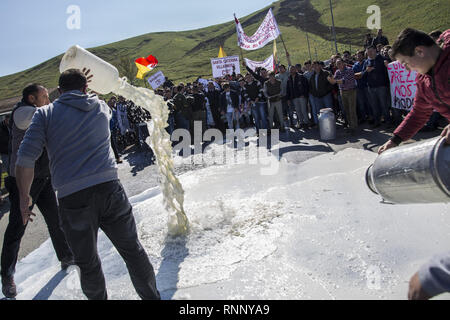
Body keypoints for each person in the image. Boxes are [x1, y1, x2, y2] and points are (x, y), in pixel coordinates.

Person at [15, 70, 160, 300]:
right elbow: (90, 99)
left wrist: (24, 197)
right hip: (110, 188)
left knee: (88, 262)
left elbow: (24, 160)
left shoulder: (45, 114)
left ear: (59, 92)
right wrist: (86, 91)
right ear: (85, 88)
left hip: (73, 197)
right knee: (133, 251)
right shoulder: (101, 107)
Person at [378, 28, 450, 300]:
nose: (408, 70)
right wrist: (395, 140)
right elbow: (418, 113)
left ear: (420, 50)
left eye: (407, 63)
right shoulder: (424, 81)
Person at [1, 84, 74, 299]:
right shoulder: (21, 112)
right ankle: (7, 276)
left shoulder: (39, 110)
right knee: (18, 225)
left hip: (42, 176)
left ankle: (66, 255)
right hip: (23, 180)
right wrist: (67, 96)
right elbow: (43, 114)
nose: (48, 100)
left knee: (55, 218)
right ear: (32, 98)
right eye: (44, 97)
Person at [355, 45, 392, 128]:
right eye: (368, 53)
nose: (370, 54)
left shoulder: (382, 59)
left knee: (384, 105)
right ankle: (377, 121)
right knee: (374, 105)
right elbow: (363, 74)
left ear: (375, 50)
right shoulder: (367, 61)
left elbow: (388, 71)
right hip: (371, 87)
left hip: (382, 86)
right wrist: (366, 71)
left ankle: (388, 121)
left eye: (371, 51)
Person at [328, 59, 358, 134]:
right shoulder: (337, 72)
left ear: (343, 63)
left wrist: (334, 81)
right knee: (346, 110)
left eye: (340, 63)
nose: (338, 65)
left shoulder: (349, 70)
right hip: (342, 91)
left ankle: (354, 127)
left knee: (352, 110)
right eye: (337, 64)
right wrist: (330, 78)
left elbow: (343, 80)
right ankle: (350, 125)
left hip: (351, 91)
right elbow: (333, 80)